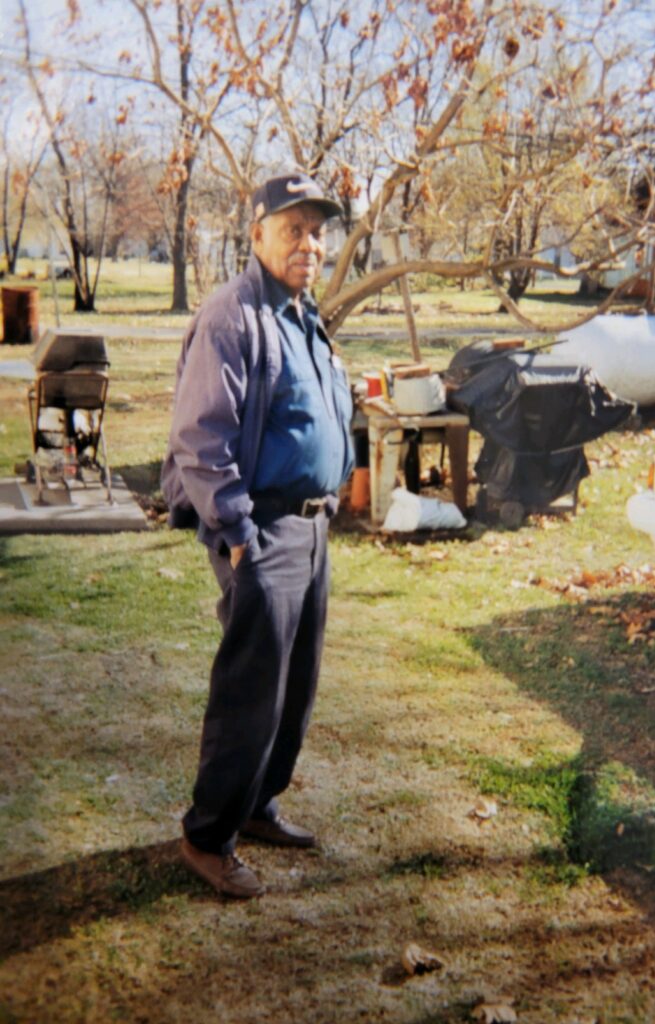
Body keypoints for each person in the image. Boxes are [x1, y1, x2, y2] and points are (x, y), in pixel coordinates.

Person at [161, 172, 354, 898]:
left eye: (317, 230)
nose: (310, 242)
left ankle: (260, 806)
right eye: (293, 228)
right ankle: (207, 836)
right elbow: (200, 437)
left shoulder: (304, 315)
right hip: (262, 529)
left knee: (295, 686)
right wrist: (239, 532)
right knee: (251, 690)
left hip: (312, 528)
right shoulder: (232, 316)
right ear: (258, 234)